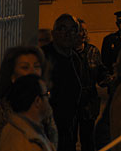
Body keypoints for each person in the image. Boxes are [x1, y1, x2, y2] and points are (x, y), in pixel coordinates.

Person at [0, 46, 57, 151]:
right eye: (25, 67)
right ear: (12, 76)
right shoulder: (0, 112)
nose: (33, 72)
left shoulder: (44, 107)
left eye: (36, 66)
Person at [42, 14, 83, 151]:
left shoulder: (76, 60)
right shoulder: (45, 58)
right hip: (47, 130)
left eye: (72, 30)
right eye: (62, 29)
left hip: (68, 130)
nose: (68, 34)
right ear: (54, 33)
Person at [74, 19, 110, 151]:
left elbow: (100, 72)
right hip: (72, 101)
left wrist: (109, 79)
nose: (83, 33)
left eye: (85, 30)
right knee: (69, 138)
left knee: (88, 139)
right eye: (80, 30)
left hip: (89, 102)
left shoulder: (92, 52)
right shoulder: (68, 53)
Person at [0, 74, 55, 151]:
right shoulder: (25, 141)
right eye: (47, 94)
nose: (49, 98)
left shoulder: (16, 129)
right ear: (37, 101)